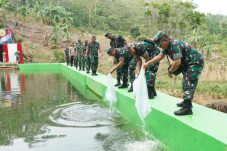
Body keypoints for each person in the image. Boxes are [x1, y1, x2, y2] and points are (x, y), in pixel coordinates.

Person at [143, 31, 204, 115]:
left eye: (160, 44)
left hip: (195, 62)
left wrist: (170, 71)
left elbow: (177, 62)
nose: (159, 46)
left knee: (188, 82)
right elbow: (160, 56)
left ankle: (187, 108)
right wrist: (148, 63)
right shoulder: (166, 47)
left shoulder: (175, 45)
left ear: (166, 40)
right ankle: (187, 101)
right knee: (186, 82)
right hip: (186, 63)